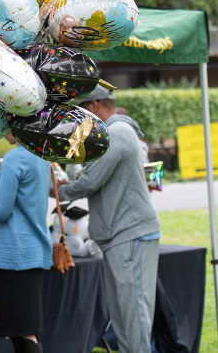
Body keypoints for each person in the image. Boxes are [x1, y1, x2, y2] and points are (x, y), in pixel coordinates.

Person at [57, 85, 160, 353]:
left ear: (93, 107)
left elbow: (90, 180)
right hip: (122, 235)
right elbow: (84, 171)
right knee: (123, 314)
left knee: (134, 315)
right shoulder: (118, 131)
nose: (80, 120)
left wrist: (57, 190)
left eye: (81, 112)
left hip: (130, 234)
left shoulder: (116, 133)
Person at [0, 132, 52, 353]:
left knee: (22, 332)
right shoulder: (41, 155)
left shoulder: (13, 158)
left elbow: (1, 212)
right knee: (29, 328)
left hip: (14, 255)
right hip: (33, 251)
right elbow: (25, 198)